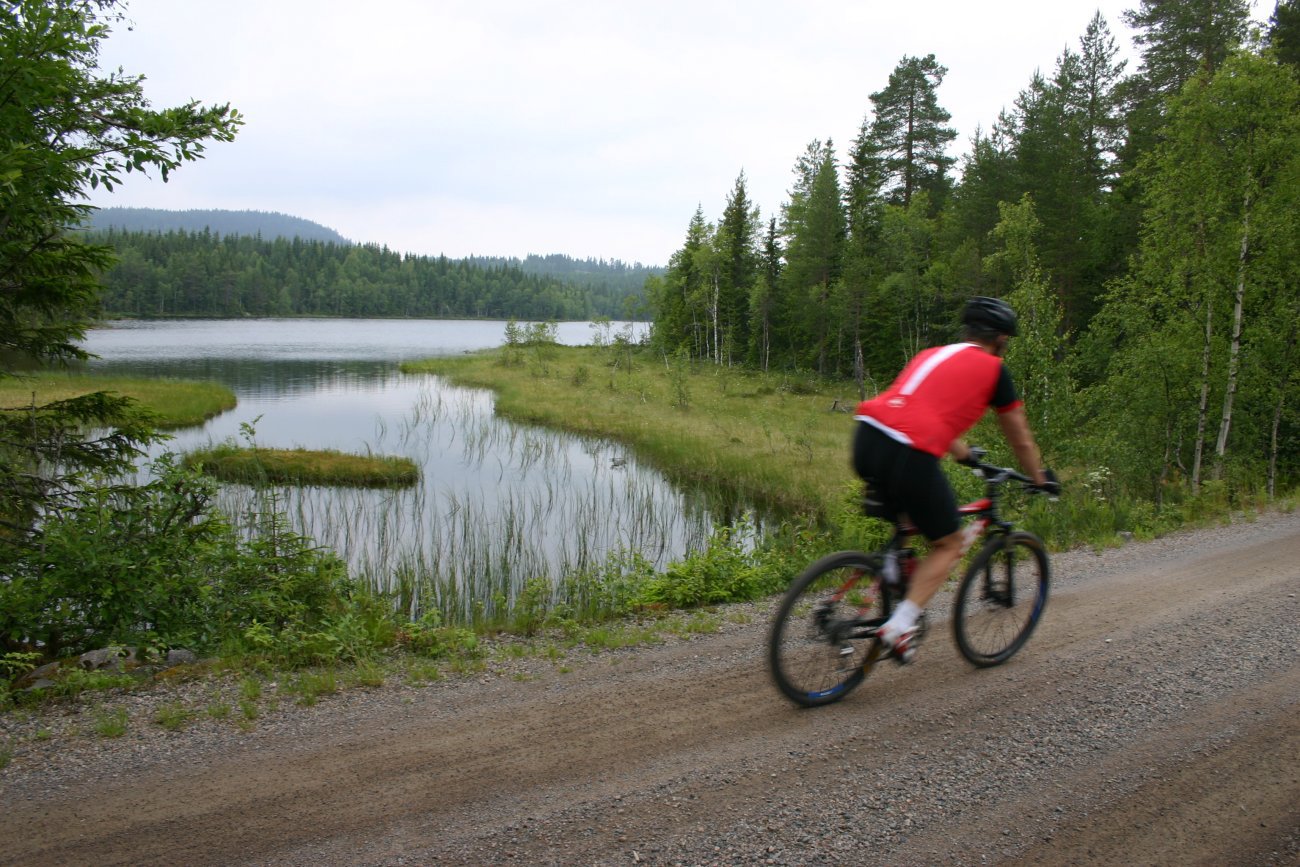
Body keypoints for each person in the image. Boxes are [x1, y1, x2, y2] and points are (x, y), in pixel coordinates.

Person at [852, 296, 1058, 663]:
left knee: (908, 523)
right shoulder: (994, 370)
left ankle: (887, 571)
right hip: (907, 453)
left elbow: (919, 412)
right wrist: (1039, 477)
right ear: (1001, 339)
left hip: (867, 436)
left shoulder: (931, 354)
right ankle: (899, 626)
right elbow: (1020, 438)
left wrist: (964, 454)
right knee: (948, 544)